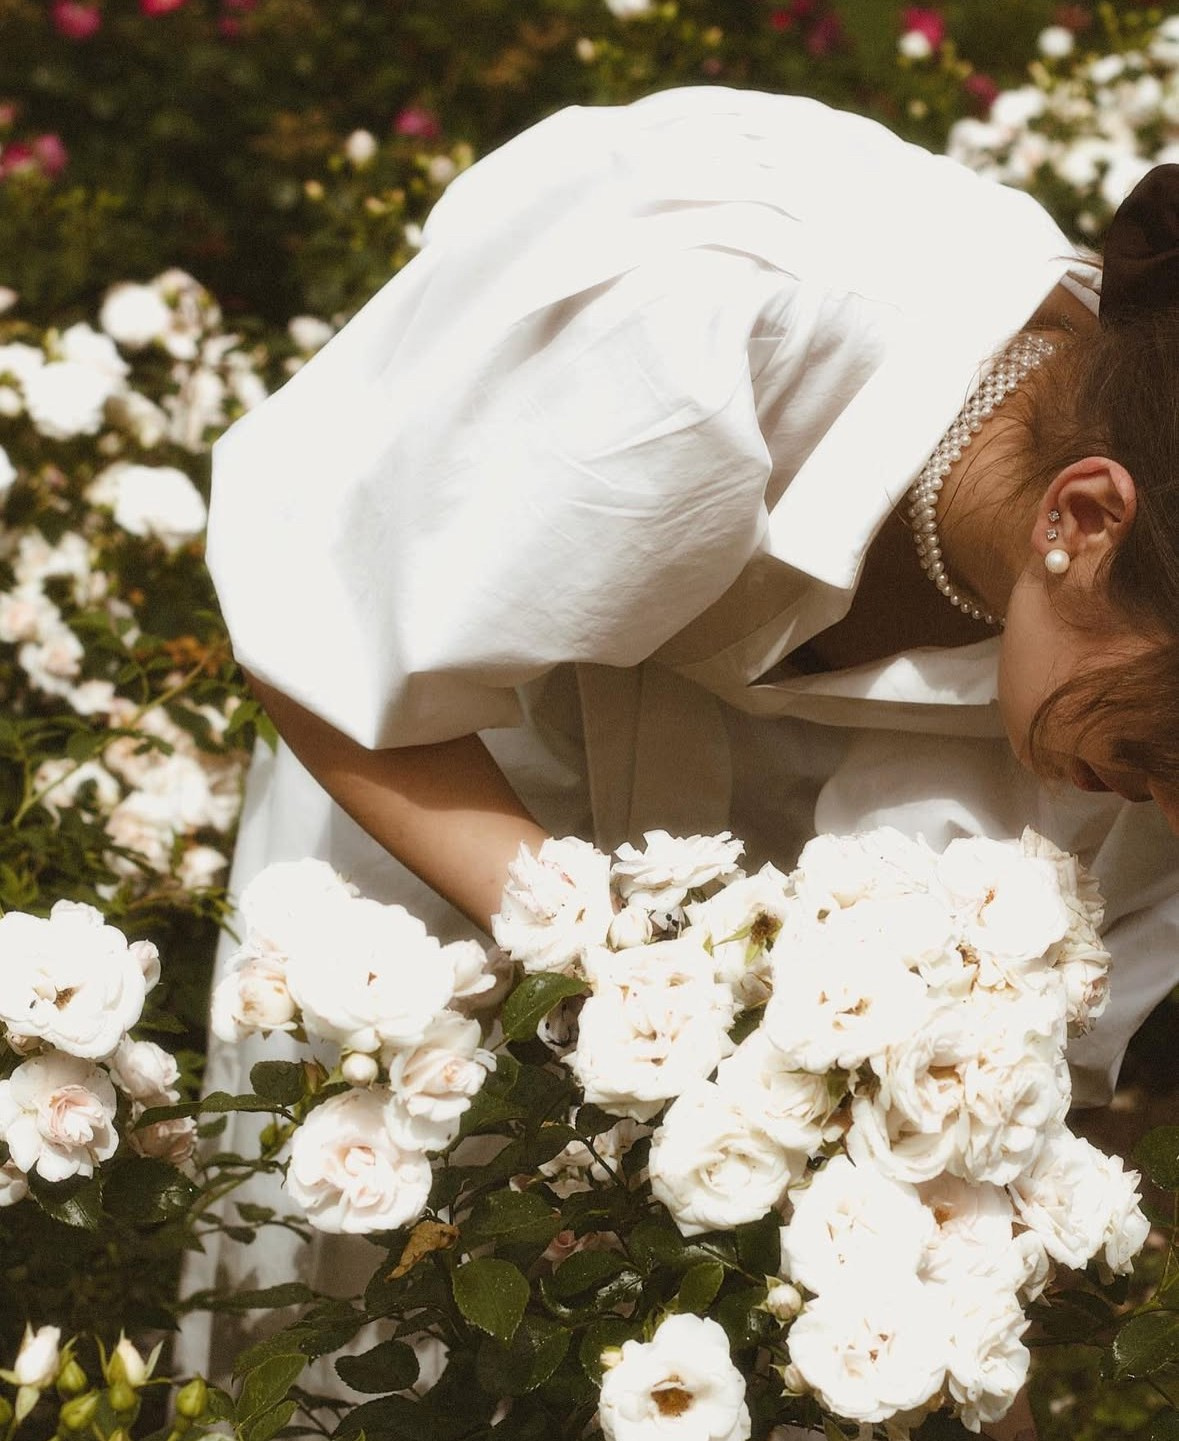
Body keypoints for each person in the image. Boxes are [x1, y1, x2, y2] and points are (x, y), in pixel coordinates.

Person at [185, 87, 1179, 1440]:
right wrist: (626, 975)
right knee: (356, 1300)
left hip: (787, 945)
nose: (1165, 804)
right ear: (1085, 517)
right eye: (1166, 745)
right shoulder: (715, 317)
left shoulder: (1130, 668)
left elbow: (986, 1180)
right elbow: (332, 644)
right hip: (443, 773)